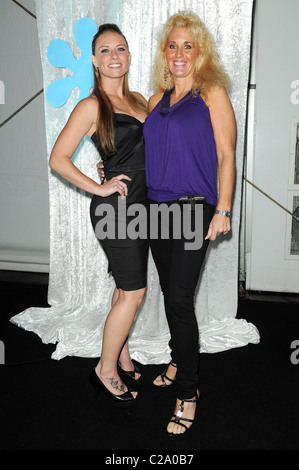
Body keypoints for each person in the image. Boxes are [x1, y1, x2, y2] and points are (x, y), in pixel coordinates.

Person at [142, 11, 236, 435]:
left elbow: (227, 155)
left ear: (200, 53)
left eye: (188, 46)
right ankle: (179, 355)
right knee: (168, 291)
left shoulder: (211, 93)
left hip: (197, 209)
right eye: (173, 45)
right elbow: (142, 155)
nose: (179, 53)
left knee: (179, 299)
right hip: (157, 209)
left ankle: (188, 390)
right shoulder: (154, 100)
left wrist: (224, 209)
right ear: (165, 52)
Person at [49, 23, 149, 405]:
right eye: (105, 50)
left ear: (128, 56)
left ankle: (120, 353)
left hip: (145, 206)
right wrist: (100, 186)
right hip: (117, 208)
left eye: (120, 49)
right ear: (94, 60)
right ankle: (104, 370)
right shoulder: (92, 105)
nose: (113, 56)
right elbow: (58, 158)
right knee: (135, 292)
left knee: (126, 287)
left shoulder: (139, 100)